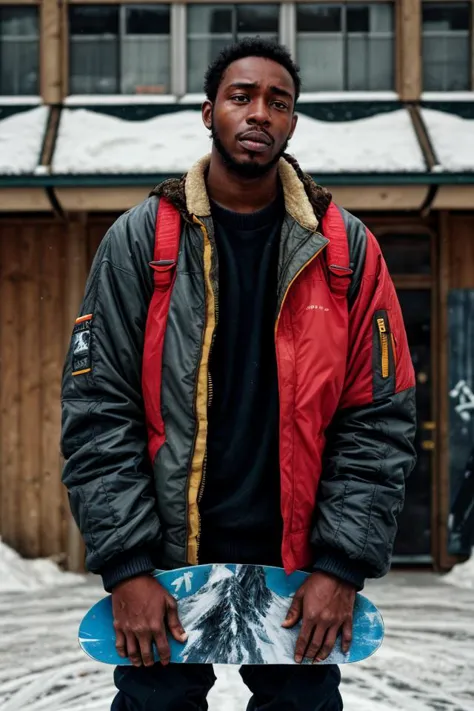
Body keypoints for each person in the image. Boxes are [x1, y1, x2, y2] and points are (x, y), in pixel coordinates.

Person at [61, 38, 417, 711]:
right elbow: (96, 409)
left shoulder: (346, 251)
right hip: (165, 561)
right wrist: (128, 565)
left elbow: (379, 416)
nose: (260, 113)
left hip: (299, 567)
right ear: (208, 112)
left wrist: (341, 564)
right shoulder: (142, 242)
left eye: (277, 102)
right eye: (241, 96)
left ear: (291, 122)